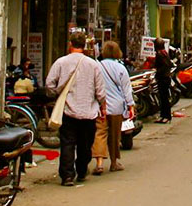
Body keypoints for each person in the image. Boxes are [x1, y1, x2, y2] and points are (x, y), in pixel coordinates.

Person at [45, 32, 108, 186]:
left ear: (70, 44)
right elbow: (100, 90)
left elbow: (49, 84)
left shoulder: (61, 62)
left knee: (67, 143)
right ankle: (81, 170)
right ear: (84, 46)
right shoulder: (93, 64)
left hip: (67, 110)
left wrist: (57, 93)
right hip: (88, 112)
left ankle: (67, 176)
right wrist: (103, 106)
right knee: (85, 144)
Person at [93, 41, 135, 174]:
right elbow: (126, 89)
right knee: (115, 136)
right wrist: (130, 106)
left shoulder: (97, 66)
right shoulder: (121, 68)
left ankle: (99, 163)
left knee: (100, 133)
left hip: (100, 106)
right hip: (117, 107)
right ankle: (113, 162)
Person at [153, 38, 173, 124]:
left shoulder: (160, 54)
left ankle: (166, 116)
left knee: (164, 98)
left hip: (163, 79)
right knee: (164, 98)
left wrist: (157, 71)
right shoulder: (165, 53)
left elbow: (163, 66)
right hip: (166, 78)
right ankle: (164, 116)